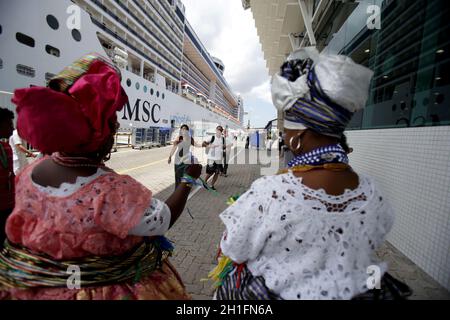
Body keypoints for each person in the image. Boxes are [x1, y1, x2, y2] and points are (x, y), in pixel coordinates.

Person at [210, 47, 411, 300]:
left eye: (287, 129)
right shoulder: (372, 193)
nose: (284, 135)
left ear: (299, 137)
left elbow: (233, 248)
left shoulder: (270, 192)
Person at [0, 53, 202, 300]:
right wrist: (188, 180)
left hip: (32, 289)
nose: (115, 129)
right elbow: (161, 221)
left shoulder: (30, 170)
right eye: (112, 124)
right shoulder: (111, 189)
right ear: (102, 135)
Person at [0, 108, 15, 246]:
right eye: (9, 124)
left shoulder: (6, 147)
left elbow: (10, 173)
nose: (12, 127)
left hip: (8, 205)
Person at [202, 126, 225, 190]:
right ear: (216, 130)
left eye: (220, 130)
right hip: (211, 158)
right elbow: (203, 143)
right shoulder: (212, 137)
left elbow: (222, 147)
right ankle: (205, 181)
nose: (219, 131)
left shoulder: (222, 139)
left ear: (221, 131)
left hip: (218, 159)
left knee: (217, 173)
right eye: (218, 130)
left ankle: (212, 185)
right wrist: (209, 145)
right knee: (210, 172)